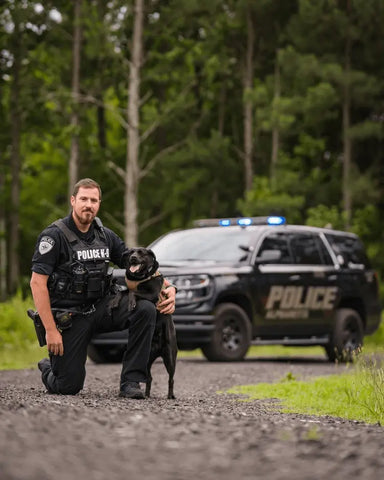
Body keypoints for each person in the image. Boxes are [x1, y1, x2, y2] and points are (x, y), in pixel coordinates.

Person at [30, 178, 176, 399]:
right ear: (73, 201)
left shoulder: (105, 235)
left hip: (103, 308)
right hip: (70, 318)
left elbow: (137, 265)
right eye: (84, 199)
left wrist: (169, 287)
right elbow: (37, 283)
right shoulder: (53, 236)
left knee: (145, 308)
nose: (88, 204)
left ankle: (131, 381)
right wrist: (50, 330)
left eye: (94, 200)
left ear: (99, 203)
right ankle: (49, 369)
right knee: (68, 387)